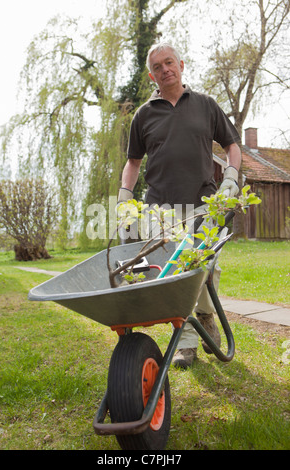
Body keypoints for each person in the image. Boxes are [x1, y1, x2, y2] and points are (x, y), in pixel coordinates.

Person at [118, 42, 241, 368]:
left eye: (169, 62)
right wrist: (124, 198)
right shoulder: (144, 115)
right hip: (161, 210)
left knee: (206, 270)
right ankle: (187, 343)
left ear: (181, 64)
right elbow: (133, 162)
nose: (165, 69)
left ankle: (206, 317)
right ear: (151, 75)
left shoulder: (206, 105)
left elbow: (232, 145)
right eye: (157, 67)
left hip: (205, 205)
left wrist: (231, 175)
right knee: (178, 273)